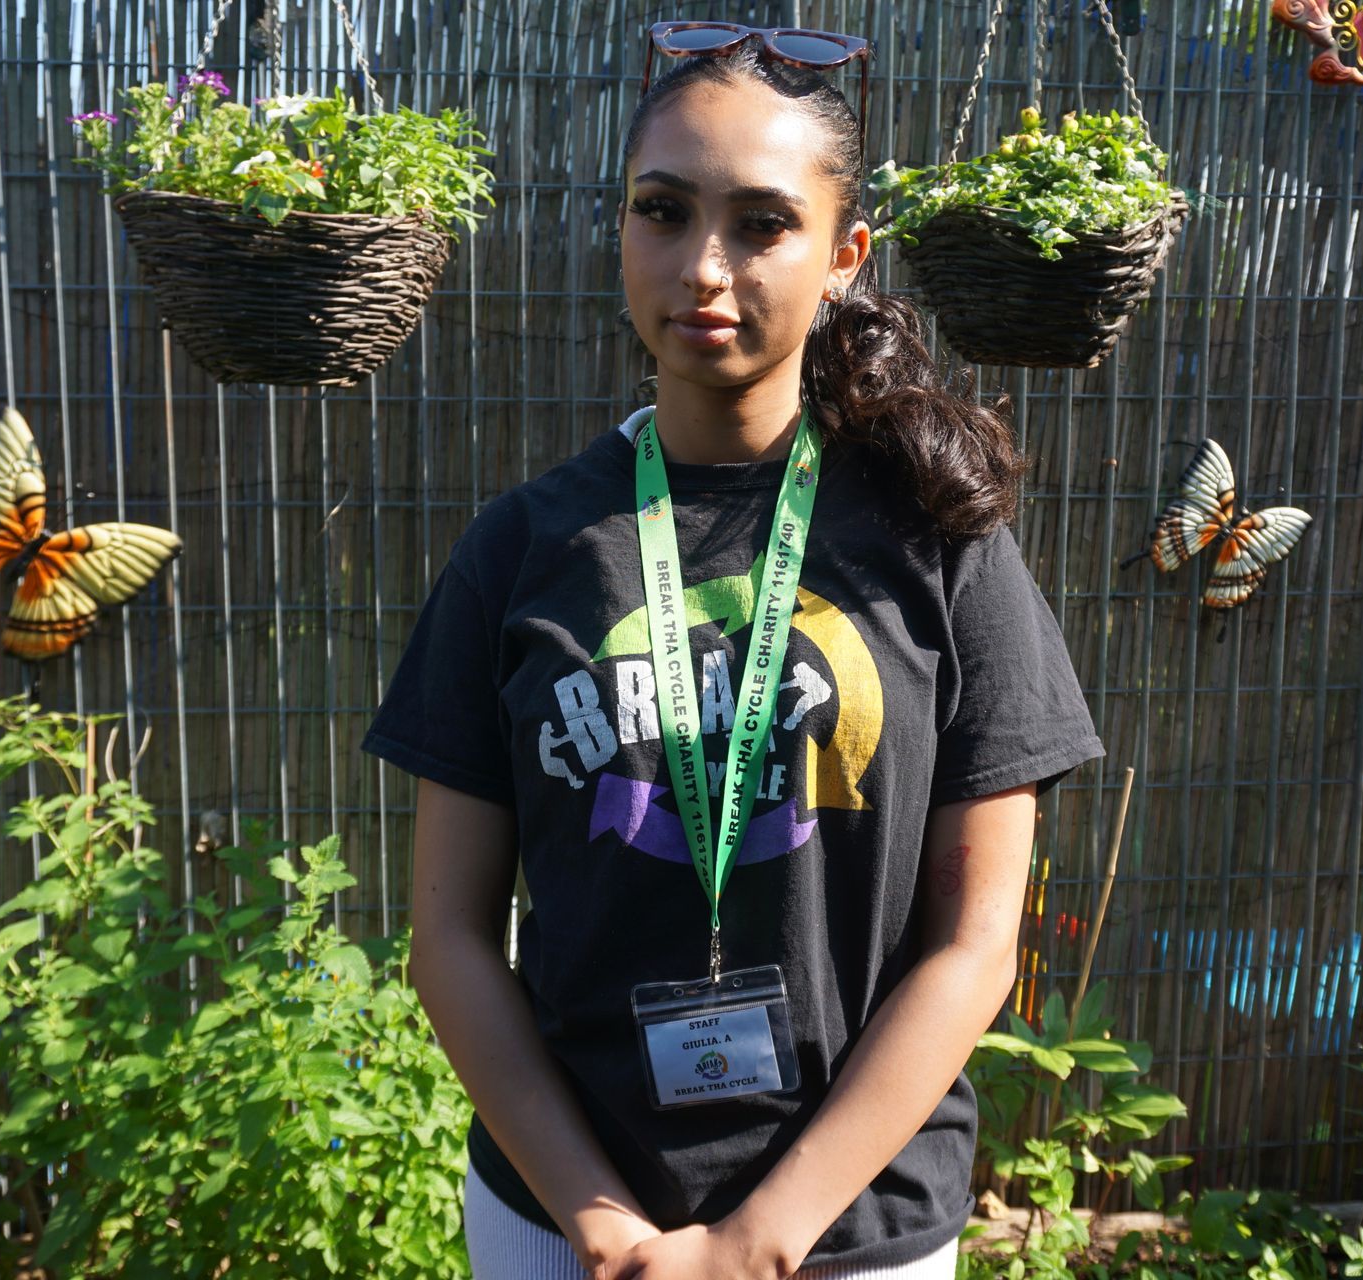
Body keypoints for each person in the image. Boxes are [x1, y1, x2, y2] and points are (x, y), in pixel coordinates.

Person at [361, 27, 1104, 1280]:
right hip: (563, 1221)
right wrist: (599, 1218)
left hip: (854, 1229)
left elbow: (976, 941)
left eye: (763, 224)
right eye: (664, 210)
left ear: (843, 256)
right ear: (621, 229)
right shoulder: (522, 548)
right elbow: (450, 935)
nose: (704, 266)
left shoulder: (940, 544)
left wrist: (761, 1237)